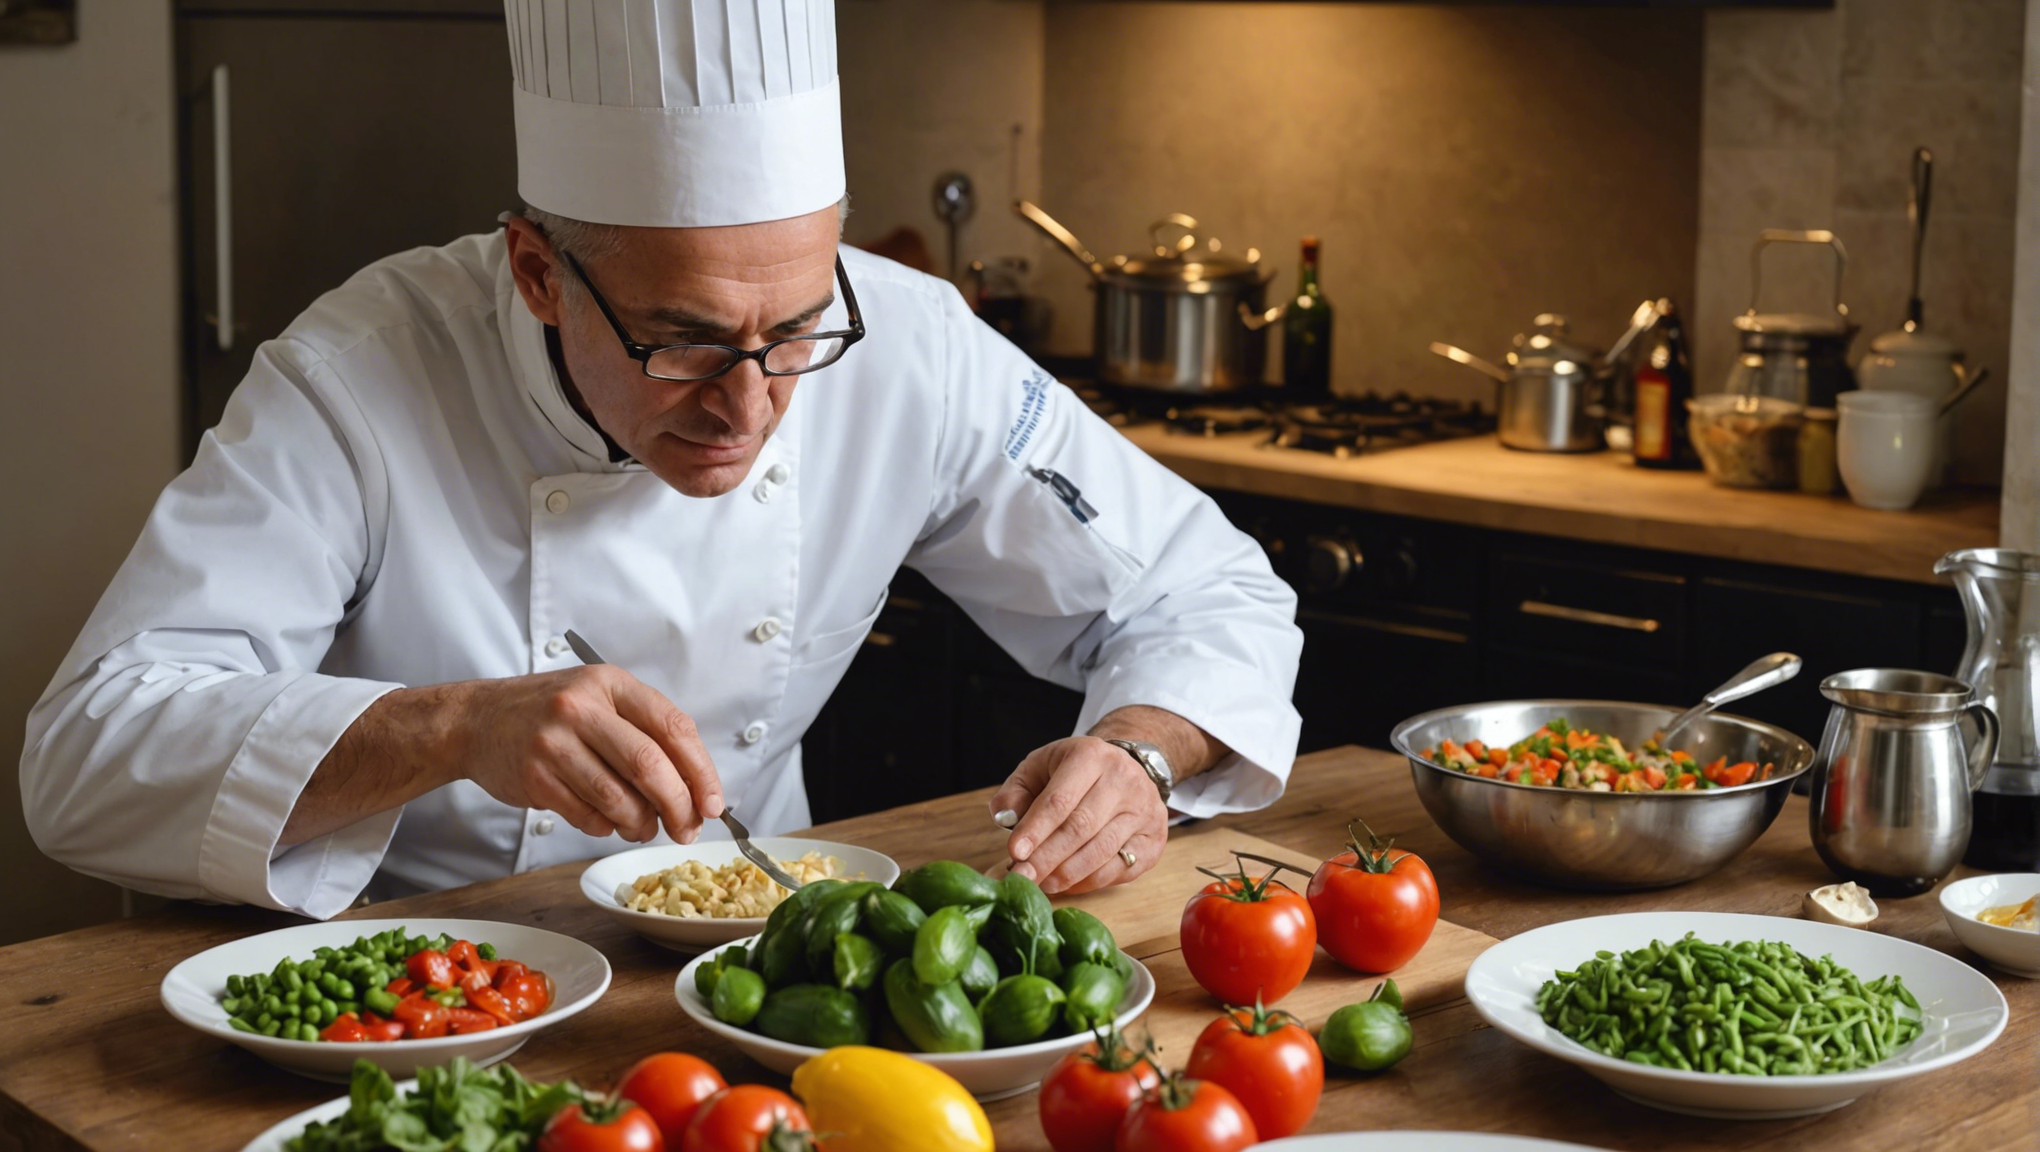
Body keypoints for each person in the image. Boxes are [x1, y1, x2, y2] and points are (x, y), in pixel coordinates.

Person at [19, 0, 1302, 919]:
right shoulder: (359, 376)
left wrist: (1142, 751)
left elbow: (1207, 591)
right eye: (680, 340)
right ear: (539, 273)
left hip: (753, 952)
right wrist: (454, 726)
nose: (748, 405)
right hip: (406, 972)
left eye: (796, 329)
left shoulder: (911, 344)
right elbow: (86, 757)